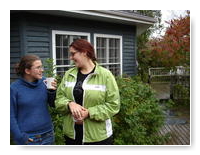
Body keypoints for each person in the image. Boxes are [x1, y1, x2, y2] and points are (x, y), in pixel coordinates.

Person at [55, 39, 120, 145]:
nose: (70, 58)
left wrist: (89, 113)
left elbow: (113, 105)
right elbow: (59, 99)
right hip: (72, 136)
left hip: (98, 137)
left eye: (73, 54)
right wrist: (69, 104)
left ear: (84, 52)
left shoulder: (105, 75)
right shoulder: (68, 74)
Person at [10, 54, 57, 145]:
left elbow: (53, 105)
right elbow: (10, 116)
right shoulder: (14, 89)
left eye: (41, 67)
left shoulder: (45, 82)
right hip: (28, 138)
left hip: (48, 135)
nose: (42, 70)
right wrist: (20, 137)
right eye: (38, 67)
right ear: (27, 70)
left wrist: (52, 92)